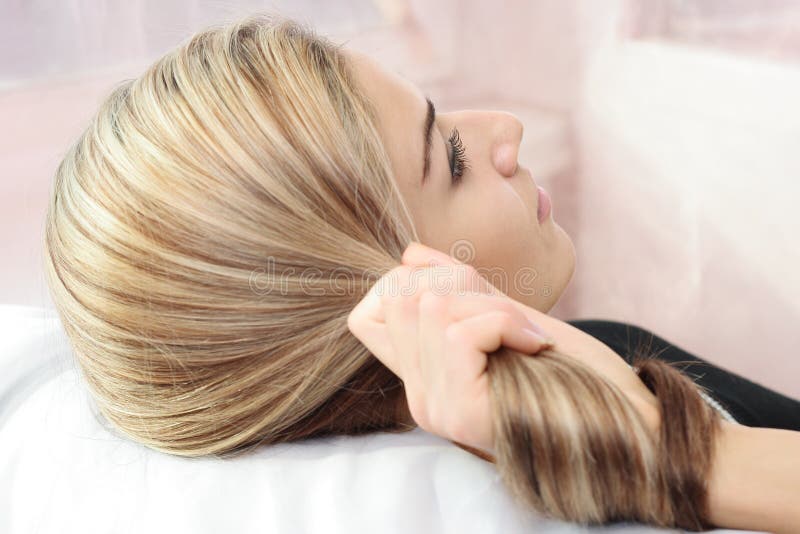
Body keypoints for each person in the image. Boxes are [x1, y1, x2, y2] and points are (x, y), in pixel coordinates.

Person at [42, 14, 800, 533]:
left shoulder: (605, 347)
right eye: (454, 162)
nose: (504, 129)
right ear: (392, 294)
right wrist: (682, 455)